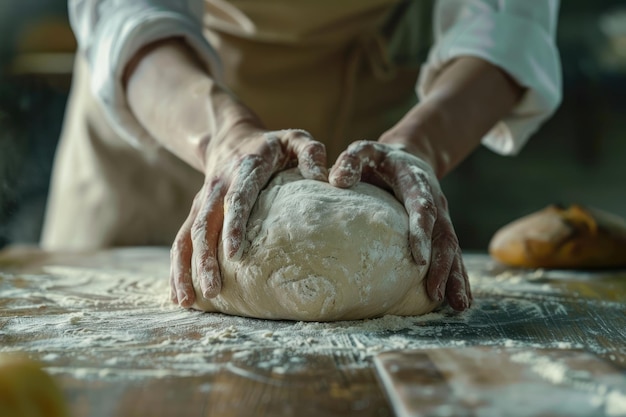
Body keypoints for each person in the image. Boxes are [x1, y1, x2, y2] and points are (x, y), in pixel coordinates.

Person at [41, 0, 562, 313]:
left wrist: (419, 145)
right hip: (164, 97)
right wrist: (222, 135)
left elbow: (508, 20)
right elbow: (128, 10)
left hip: (362, 113)